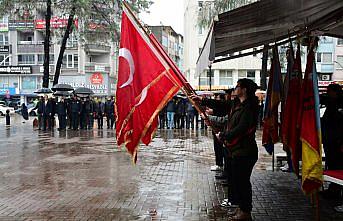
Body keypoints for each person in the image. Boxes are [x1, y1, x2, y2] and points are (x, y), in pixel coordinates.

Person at [320, 83, 343, 198]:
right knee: (331, 164)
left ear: (335, 92)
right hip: (330, 139)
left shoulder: (339, 104)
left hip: (336, 141)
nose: (328, 94)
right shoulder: (332, 103)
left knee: (337, 165)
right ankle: (333, 188)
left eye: (330, 92)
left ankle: (336, 190)